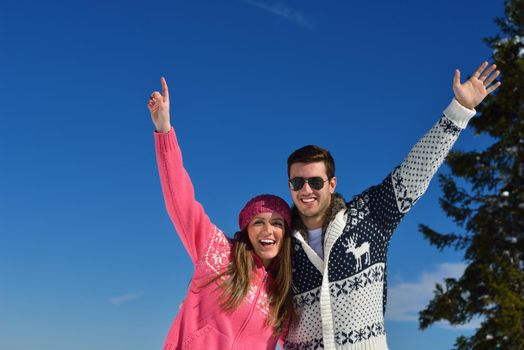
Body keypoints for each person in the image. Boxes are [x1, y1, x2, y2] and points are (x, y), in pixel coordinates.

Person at [282, 61, 501, 350]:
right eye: (298, 183)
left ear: (332, 184)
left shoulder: (369, 215)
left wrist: (459, 110)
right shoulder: (280, 242)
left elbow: (414, 172)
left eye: (315, 182)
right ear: (290, 186)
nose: (306, 190)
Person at [148, 78, 294, 349]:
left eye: (277, 223)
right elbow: (179, 200)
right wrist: (164, 130)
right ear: (246, 230)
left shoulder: (282, 296)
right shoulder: (217, 252)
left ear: (286, 234)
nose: (267, 230)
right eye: (258, 222)